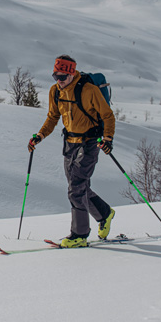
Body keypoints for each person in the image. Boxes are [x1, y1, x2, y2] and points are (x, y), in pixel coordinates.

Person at [28, 55, 116, 248]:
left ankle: (80, 234)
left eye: (62, 77)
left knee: (76, 187)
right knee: (78, 186)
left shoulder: (89, 90)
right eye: (55, 76)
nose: (58, 81)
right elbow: (52, 117)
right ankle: (104, 213)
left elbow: (108, 116)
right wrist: (39, 136)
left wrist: (108, 138)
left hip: (89, 142)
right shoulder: (55, 92)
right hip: (69, 143)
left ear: (72, 73)